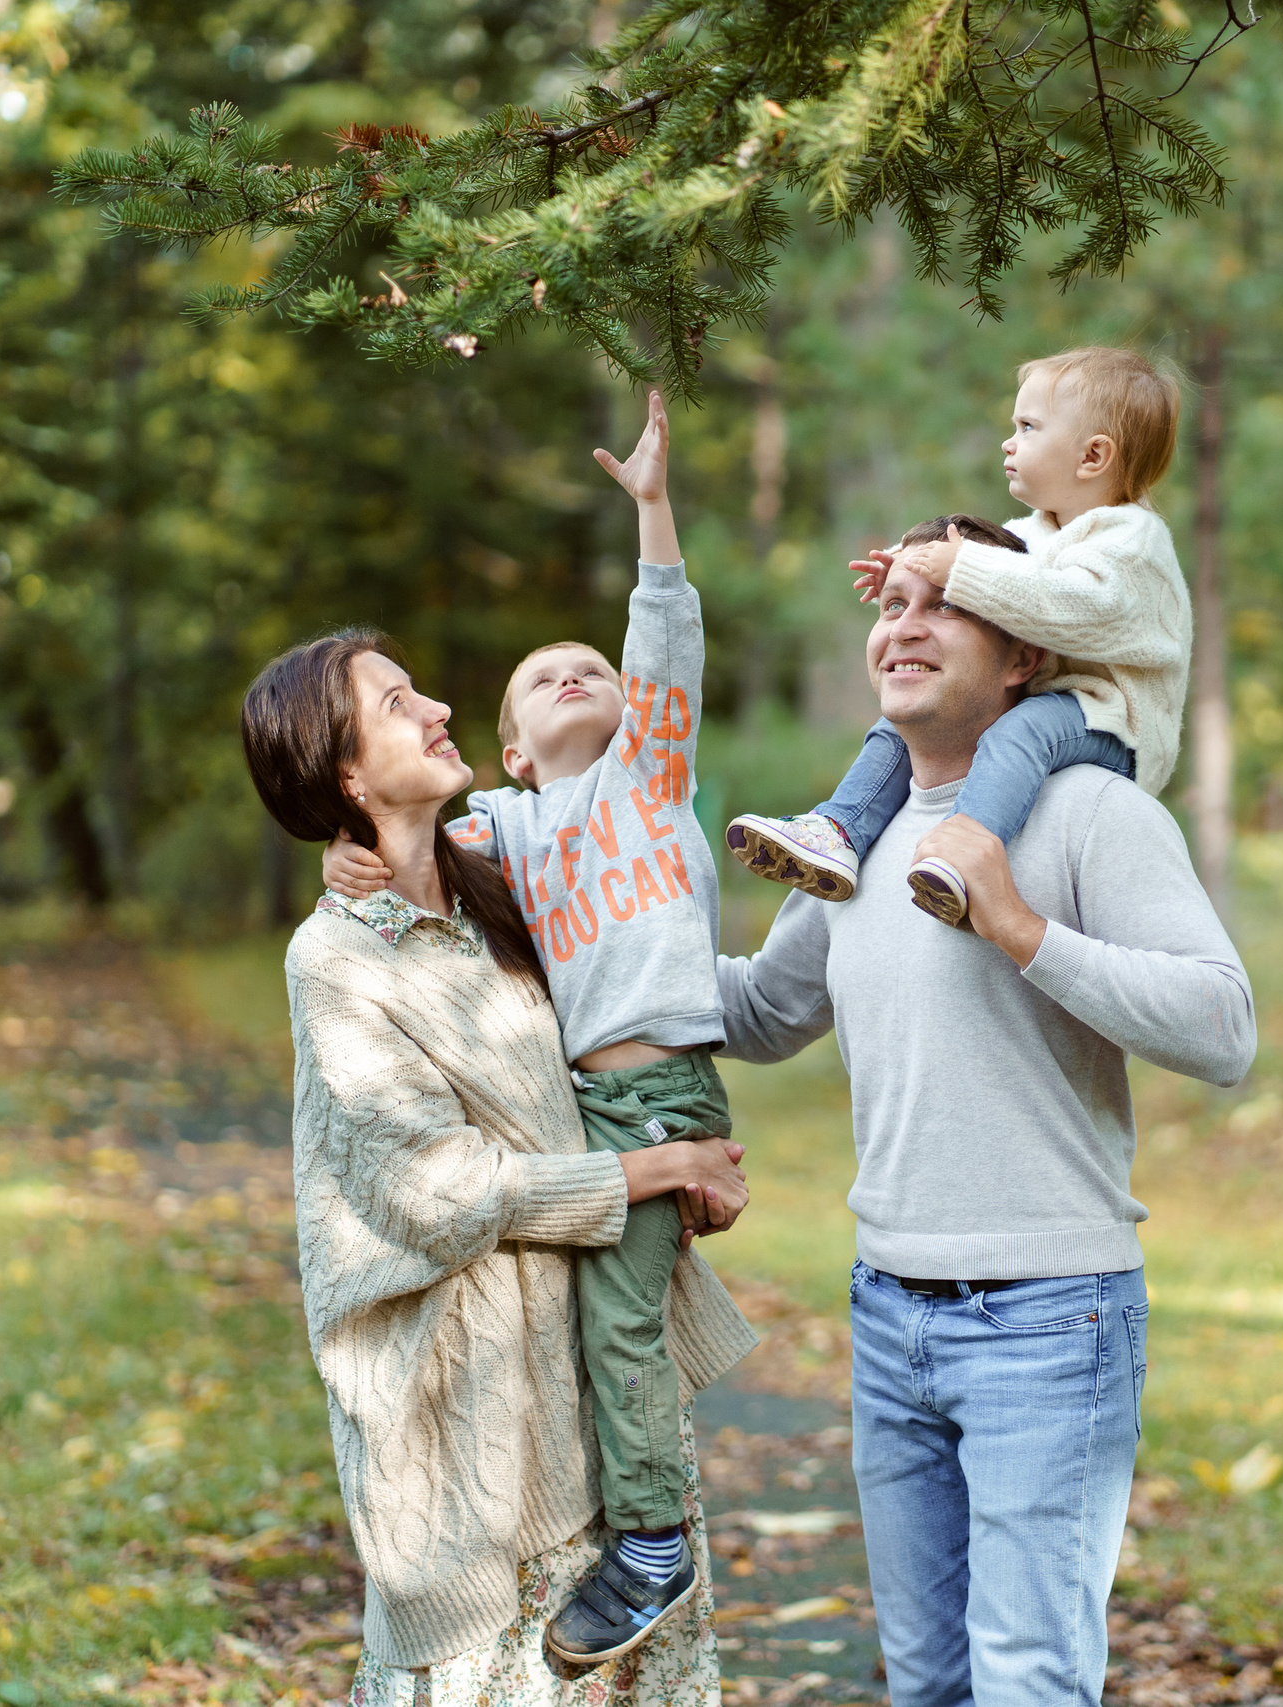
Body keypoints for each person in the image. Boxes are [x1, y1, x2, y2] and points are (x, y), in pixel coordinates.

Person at [714, 558, 1257, 1707]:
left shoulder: (1092, 812)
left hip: (1050, 1321)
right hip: (887, 1309)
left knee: (1028, 1684)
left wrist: (1016, 926)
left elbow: (1222, 1026)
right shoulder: (848, 839)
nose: (903, 627)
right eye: (890, 606)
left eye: (942, 604)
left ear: (1023, 656)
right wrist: (567, 945)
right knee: (927, 1685)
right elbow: (762, 1013)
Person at [241, 626, 756, 1704]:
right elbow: (439, 1190)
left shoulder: (502, 893)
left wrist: (673, 1164)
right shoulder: (336, 960)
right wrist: (648, 1178)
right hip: (469, 1419)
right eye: (395, 704)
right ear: (343, 774)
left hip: (592, 1390)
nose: (435, 708)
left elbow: (617, 1047)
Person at [321, 391, 748, 1664]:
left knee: (617, 1332)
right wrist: (338, 863)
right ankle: (593, 1526)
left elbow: (665, 644)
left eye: (593, 672)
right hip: (582, 1116)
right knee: (578, 1335)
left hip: (664, 1094)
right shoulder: (502, 833)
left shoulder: (647, 784)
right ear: (509, 746)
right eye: (542, 679)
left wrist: (654, 516)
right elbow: (396, 856)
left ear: (630, 715)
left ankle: (653, 1543)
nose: (576, 677)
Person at [725, 346, 1190, 929]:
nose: (1008, 441)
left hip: (1119, 720)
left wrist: (961, 569)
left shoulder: (1134, 541)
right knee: (897, 724)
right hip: (1055, 698)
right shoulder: (1039, 529)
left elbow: (1076, 607)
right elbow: (997, 565)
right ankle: (839, 829)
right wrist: (908, 567)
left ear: (1093, 455)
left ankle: (968, 849)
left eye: (1027, 427)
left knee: (1023, 732)